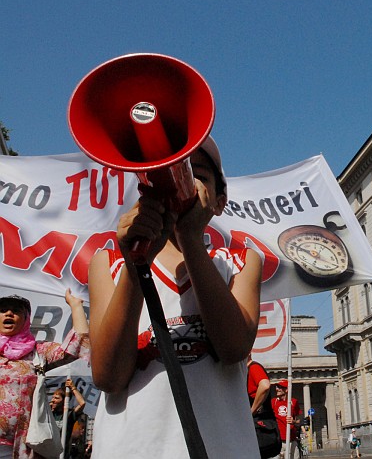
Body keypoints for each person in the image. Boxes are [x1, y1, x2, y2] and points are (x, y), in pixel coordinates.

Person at [88, 137, 263, 458]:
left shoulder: (241, 262)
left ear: (219, 201)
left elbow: (234, 348)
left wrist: (190, 240)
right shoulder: (107, 264)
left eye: (198, 175)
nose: (182, 185)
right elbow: (108, 377)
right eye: (166, 177)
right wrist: (137, 261)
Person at [0, 290, 89, 459]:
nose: (9, 313)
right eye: (3, 310)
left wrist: (76, 306)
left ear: (26, 320)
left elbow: (74, 347)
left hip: (19, 448)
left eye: (17, 310)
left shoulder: (38, 352)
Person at [49, 378, 86, 457]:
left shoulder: (68, 415)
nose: (53, 400)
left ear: (64, 401)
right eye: (53, 397)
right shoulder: (48, 413)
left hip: (61, 454)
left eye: (56, 398)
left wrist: (73, 388)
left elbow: (82, 403)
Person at [271, 380, 302, 459]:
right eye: (277, 387)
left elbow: (299, 421)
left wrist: (293, 421)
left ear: (287, 390)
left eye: (280, 387)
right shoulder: (273, 402)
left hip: (291, 440)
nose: (277, 389)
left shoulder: (293, 402)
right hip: (278, 441)